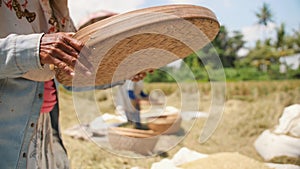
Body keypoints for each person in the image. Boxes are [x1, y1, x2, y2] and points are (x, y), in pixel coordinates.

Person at [0, 1, 146, 168]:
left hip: (43, 127)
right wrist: (32, 49)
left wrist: (122, 72)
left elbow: (70, 77)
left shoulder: (55, 9)